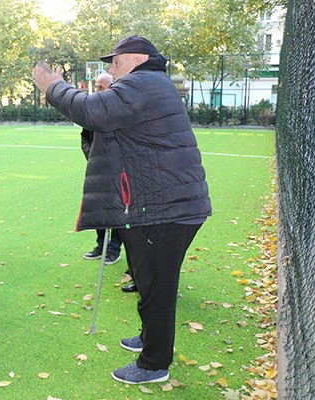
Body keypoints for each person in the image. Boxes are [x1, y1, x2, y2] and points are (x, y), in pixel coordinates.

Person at [33, 35, 211, 385]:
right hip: (158, 204)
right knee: (147, 281)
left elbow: (92, 110)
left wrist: (54, 86)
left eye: (115, 61)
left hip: (163, 208)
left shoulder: (141, 83)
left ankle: (153, 364)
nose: (111, 68)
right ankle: (150, 339)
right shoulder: (148, 83)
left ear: (137, 58)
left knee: (157, 287)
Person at [80, 72, 123, 266]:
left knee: (118, 210)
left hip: (118, 171)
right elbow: (84, 136)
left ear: (112, 88)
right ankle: (101, 245)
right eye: (96, 86)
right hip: (97, 170)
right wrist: (92, 155)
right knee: (98, 208)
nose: (97, 90)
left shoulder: (120, 110)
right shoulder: (92, 111)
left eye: (101, 87)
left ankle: (114, 249)